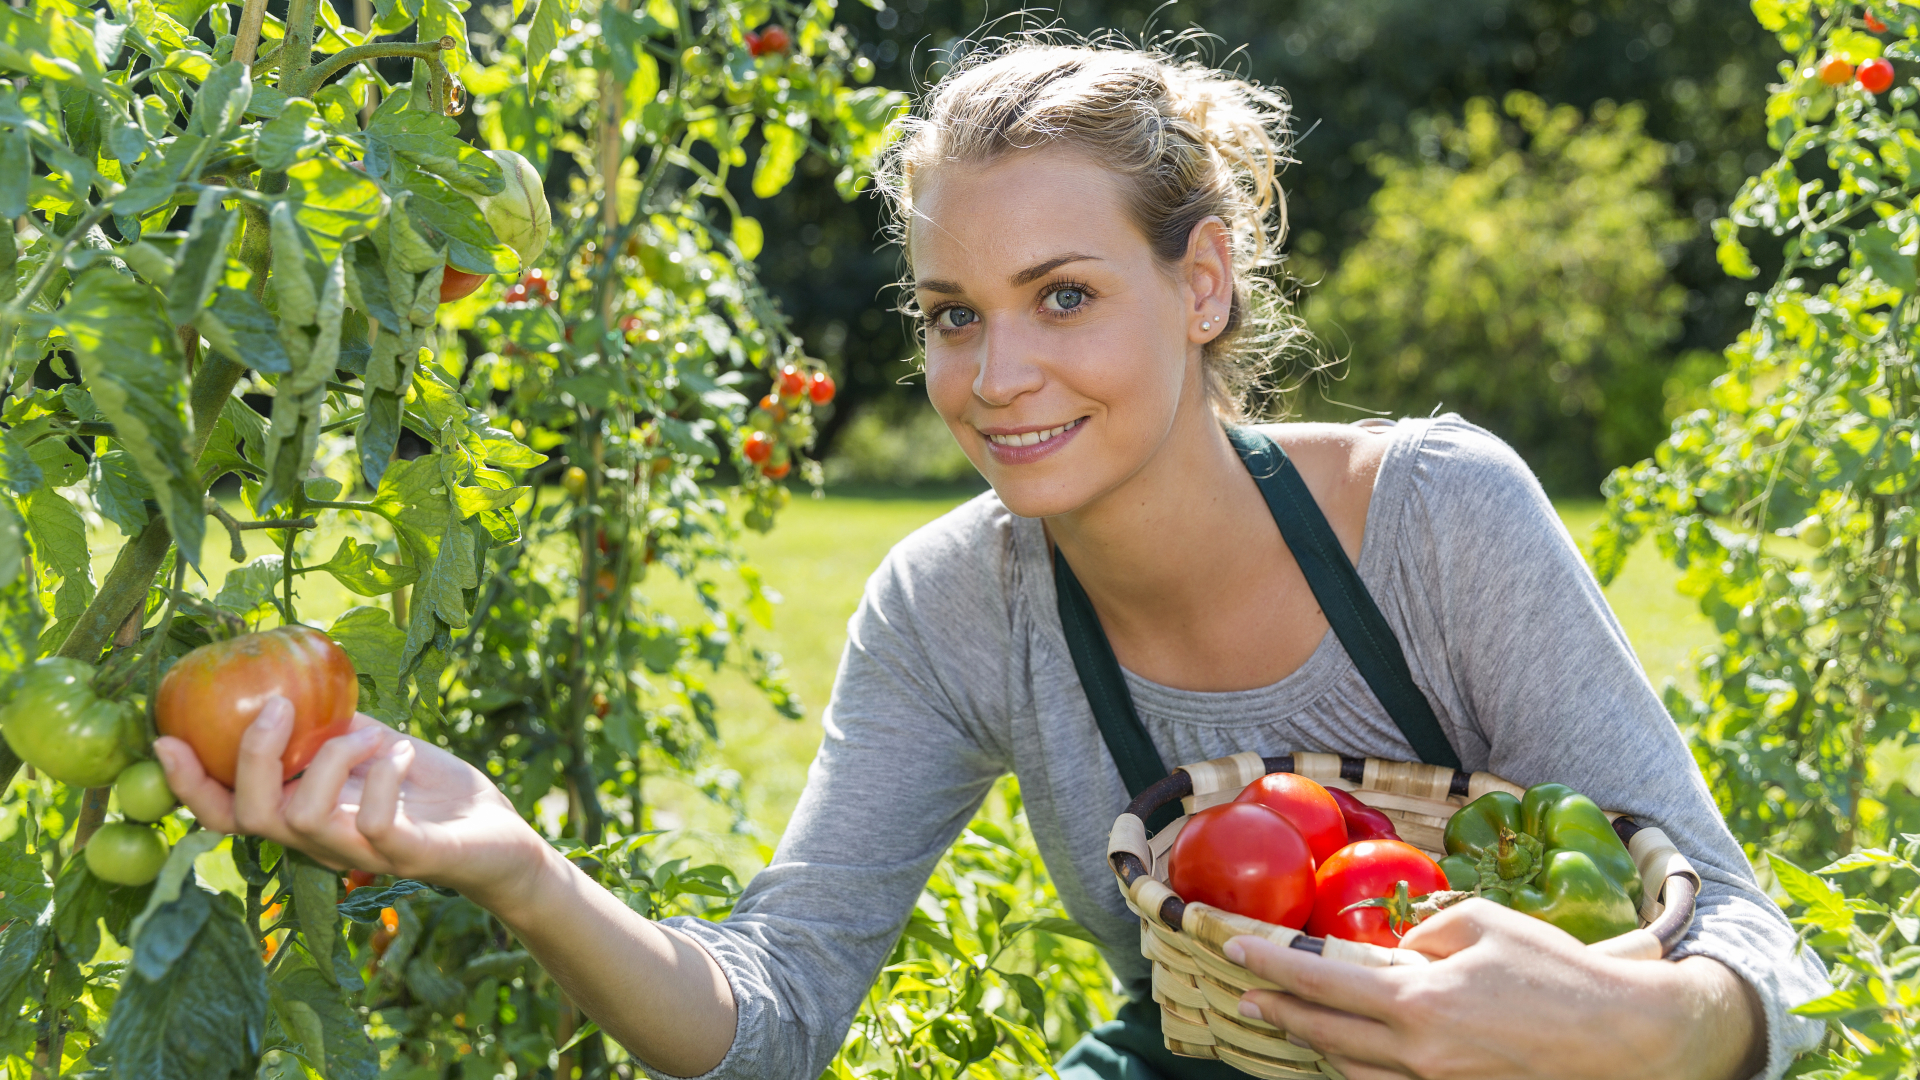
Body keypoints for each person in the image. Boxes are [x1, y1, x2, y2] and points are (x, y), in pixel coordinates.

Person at [154, 38, 1827, 1080]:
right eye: (956, 316)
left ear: (1204, 284)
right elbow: (774, 1011)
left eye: (1065, 296)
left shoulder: (1438, 523)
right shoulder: (956, 606)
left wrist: (1651, 1030)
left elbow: (1758, 947)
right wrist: (518, 866)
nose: (996, 376)